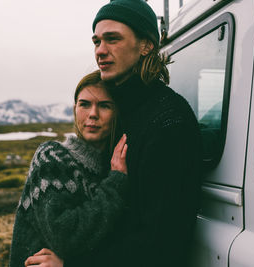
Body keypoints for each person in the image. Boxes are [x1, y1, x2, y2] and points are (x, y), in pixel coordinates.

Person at [63, 0, 202, 267]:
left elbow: (160, 245)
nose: (100, 51)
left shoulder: (168, 123)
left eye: (112, 39)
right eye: (96, 42)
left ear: (146, 45)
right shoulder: (119, 109)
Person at [9, 70, 129, 267]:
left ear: (117, 112)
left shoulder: (114, 165)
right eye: (84, 104)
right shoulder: (52, 156)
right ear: (75, 109)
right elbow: (64, 237)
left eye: (105, 106)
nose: (92, 114)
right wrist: (114, 184)